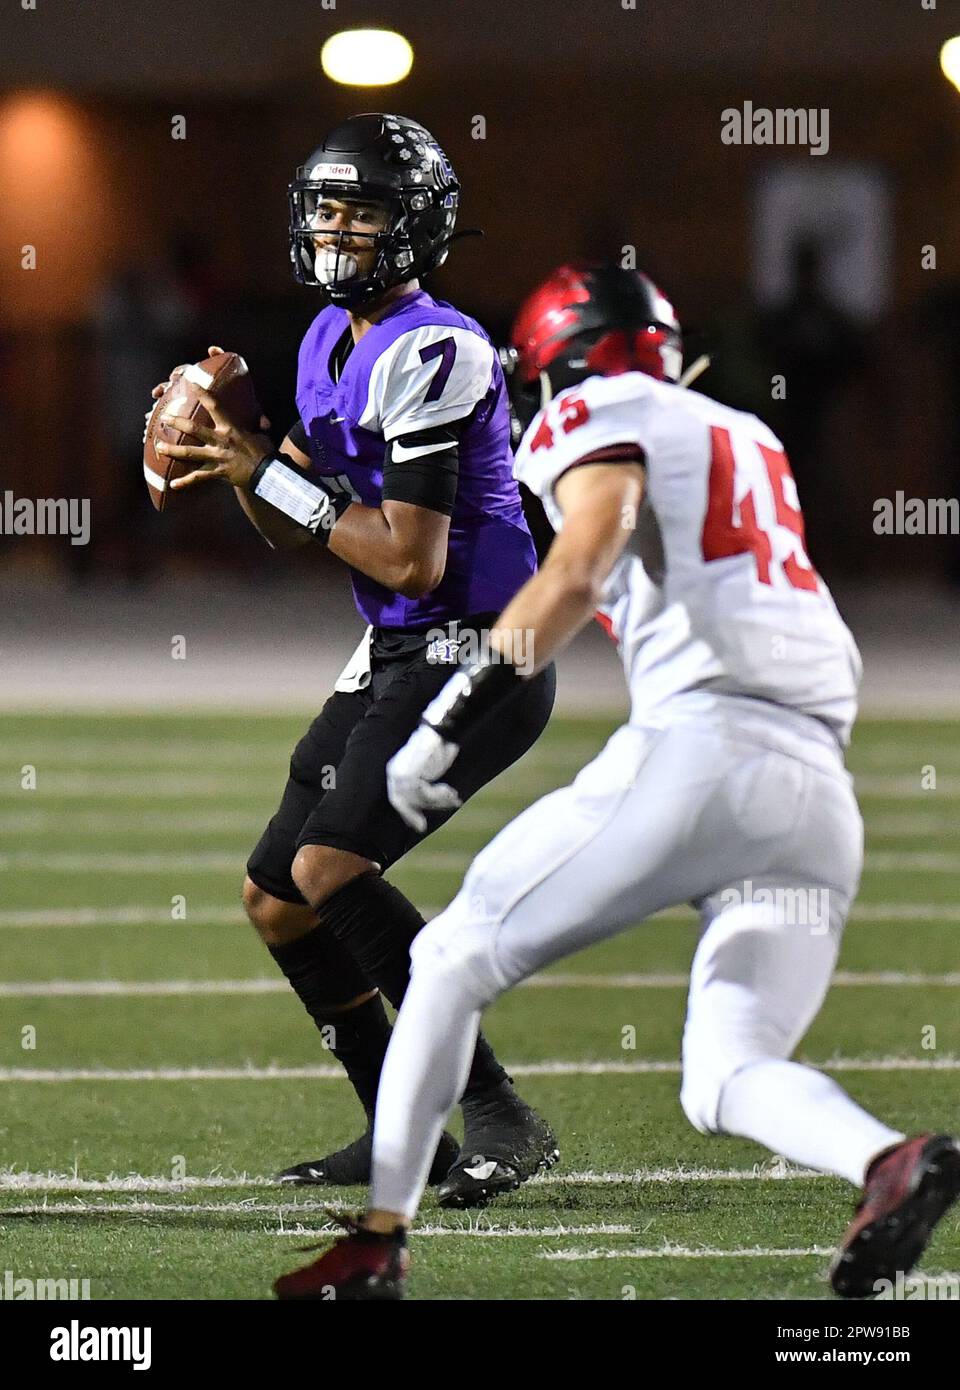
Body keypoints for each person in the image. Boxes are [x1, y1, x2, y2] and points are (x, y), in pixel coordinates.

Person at [273, 263, 960, 1300]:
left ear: (563, 360)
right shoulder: (752, 435)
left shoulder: (597, 410)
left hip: (704, 749)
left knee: (453, 954)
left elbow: (584, 560)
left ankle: (377, 1246)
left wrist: (452, 714)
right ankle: (887, 1161)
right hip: (818, 787)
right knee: (722, 1073)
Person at [151, 113, 558, 1206]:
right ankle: (405, 1133)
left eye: (363, 209)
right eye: (326, 205)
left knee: (333, 869)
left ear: (414, 227)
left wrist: (264, 469)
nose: (337, 227)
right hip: (400, 646)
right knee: (275, 897)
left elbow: (414, 558)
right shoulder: (328, 338)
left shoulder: (436, 346)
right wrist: (234, 460)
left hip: (482, 646)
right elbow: (293, 525)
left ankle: (499, 1110)